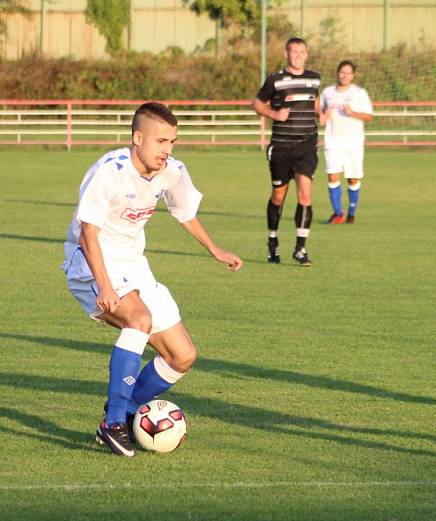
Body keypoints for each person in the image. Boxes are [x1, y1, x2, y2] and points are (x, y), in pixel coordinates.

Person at [62, 102, 243, 457]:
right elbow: (88, 232)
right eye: (161, 141)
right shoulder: (110, 171)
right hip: (90, 260)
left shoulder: (172, 171)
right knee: (139, 319)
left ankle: (126, 410)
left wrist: (215, 250)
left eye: (172, 141)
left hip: (134, 263)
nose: (167, 150)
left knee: (182, 355)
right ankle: (114, 424)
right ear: (137, 138)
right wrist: (107, 286)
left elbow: (185, 212)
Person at [251, 37, 321, 266]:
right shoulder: (275, 80)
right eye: (294, 51)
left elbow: (315, 102)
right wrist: (273, 114)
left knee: (305, 194)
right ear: (286, 53)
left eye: (302, 51)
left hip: (306, 145)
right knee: (278, 195)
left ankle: (301, 249)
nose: (298, 55)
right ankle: (273, 242)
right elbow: (258, 104)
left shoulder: (314, 78)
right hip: (281, 147)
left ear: (307, 54)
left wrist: (322, 114)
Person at [320, 60, 373, 224]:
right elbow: (320, 115)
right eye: (342, 72)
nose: (345, 75)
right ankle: (338, 213)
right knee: (332, 176)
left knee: (353, 179)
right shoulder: (327, 93)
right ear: (337, 73)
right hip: (332, 141)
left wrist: (352, 113)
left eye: (348, 73)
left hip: (353, 144)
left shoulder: (359, 93)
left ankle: (351, 213)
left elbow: (369, 116)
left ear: (353, 75)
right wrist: (323, 116)